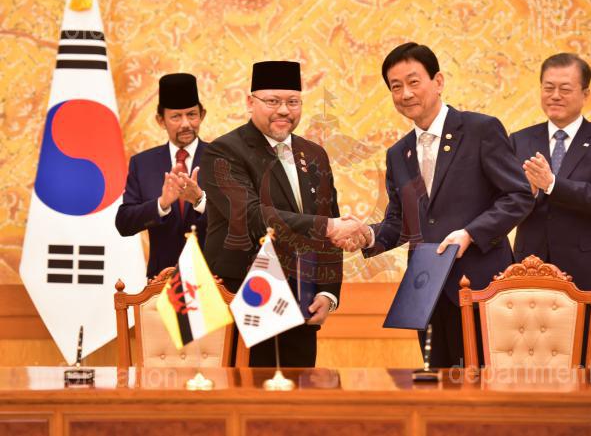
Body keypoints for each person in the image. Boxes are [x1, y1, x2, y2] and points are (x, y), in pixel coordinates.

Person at [342, 42, 534, 368]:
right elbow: (401, 222)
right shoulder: (398, 153)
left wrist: (470, 234)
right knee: (437, 384)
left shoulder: (480, 129)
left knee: (486, 383)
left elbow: (518, 195)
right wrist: (367, 235)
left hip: (481, 285)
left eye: (413, 82)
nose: (405, 94)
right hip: (426, 291)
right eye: (396, 87)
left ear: (438, 81)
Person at [199, 61, 360, 367]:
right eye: (273, 101)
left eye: (293, 102)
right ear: (251, 102)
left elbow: (329, 220)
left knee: (299, 391)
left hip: (302, 302)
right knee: (243, 390)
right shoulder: (224, 152)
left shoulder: (314, 154)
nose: (284, 110)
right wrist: (328, 226)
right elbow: (250, 216)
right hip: (243, 298)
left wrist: (328, 293)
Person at [510, 53, 591, 368]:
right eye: (548, 87)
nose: (555, 95)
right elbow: (505, 205)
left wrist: (551, 184)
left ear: (585, 94)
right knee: (533, 370)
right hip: (530, 270)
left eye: (565, 88)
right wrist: (527, 192)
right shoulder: (520, 141)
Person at [116, 73, 208, 278]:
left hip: (212, 281)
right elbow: (124, 223)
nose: (185, 123)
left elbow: (237, 220)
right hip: (161, 281)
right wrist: (161, 204)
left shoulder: (222, 158)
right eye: (176, 117)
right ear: (161, 120)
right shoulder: (142, 163)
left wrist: (200, 201)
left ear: (202, 115)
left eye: (192, 115)